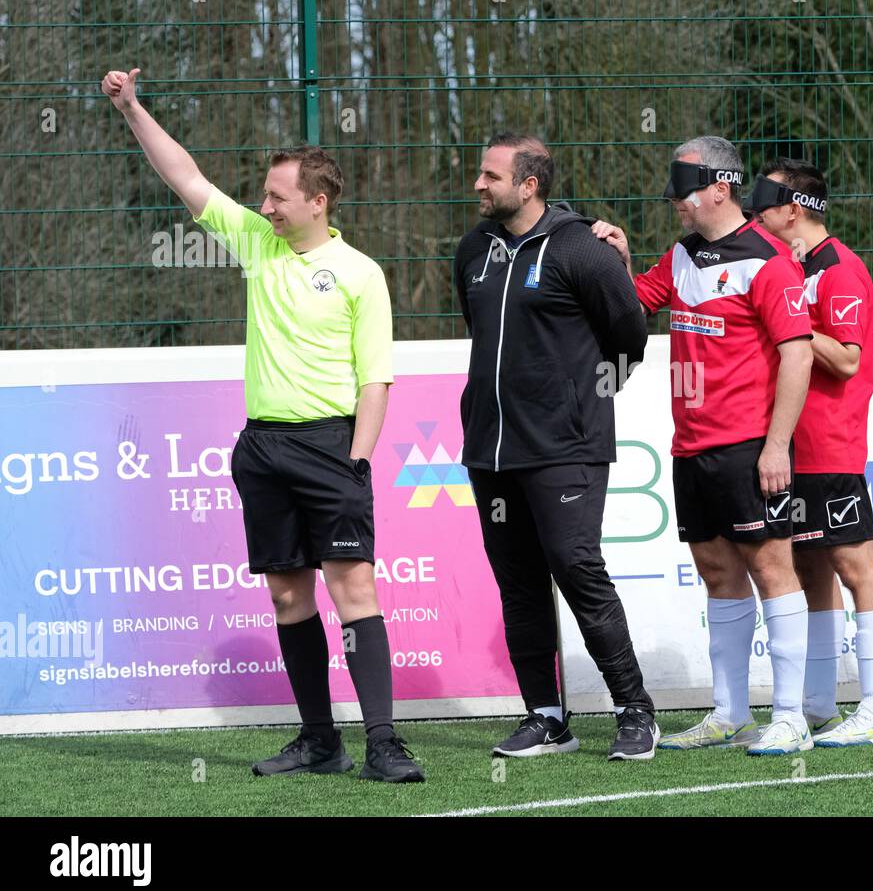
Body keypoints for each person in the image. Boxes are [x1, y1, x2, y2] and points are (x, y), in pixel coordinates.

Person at [101, 67, 424, 782]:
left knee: (354, 588)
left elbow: (376, 380)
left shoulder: (360, 273)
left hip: (332, 446)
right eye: (264, 195)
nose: (264, 205)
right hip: (263, 447)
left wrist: (357, 462)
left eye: (277, 196)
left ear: (317, 201)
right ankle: (320, 742)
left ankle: (384, 743)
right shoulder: (257, 245)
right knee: (286, 594)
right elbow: (185, 177)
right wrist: (131, 109)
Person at [594, 136, 815, 755]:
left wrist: (777, 446)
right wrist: (620, 259)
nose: (677, 204)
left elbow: (798, 354)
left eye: (685, 192)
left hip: (750, 445)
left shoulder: (771, 259)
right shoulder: (683, 252)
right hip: (691, 446)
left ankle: (792, 716)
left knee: (773, 570)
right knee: (718, 573)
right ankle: (731, 713)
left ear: (721, 187)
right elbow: (637, 303)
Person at [455, 132, 659, 761]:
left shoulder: (581, 248)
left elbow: (629, 332)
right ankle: (547, 718)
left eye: (490, 176)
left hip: (565, 445)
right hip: (489, 449)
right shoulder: (472, 250)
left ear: (529, 184)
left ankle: (635, 710)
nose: (478, 185)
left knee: (575, 567)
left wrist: (580, 400)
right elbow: (481, 327)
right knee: (517, 583)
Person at [745, 159, 873, 747]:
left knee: (857, 566)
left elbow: (848, 357)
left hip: (832, 447)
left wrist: (790, 324)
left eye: (763, 206)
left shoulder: (837, 268)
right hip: (793, 448)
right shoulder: (795, 267)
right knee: (811, 570)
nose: (754, 216)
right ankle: (817, 703)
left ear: (794, 210)